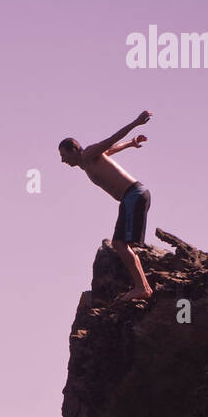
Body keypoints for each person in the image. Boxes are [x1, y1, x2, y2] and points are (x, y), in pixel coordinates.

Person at [59, 111, 154, 301]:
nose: (63, 161)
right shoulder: (88, 162)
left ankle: (142, 288)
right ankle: (143, 287)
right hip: (133, 196)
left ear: (74, 150)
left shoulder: (89, 154)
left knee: (120, 243)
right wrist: (131, 144)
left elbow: (111, 140)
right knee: (121, 244)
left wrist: (135, 123)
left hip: (133, 195)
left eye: (64, 155)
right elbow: (112, 150)